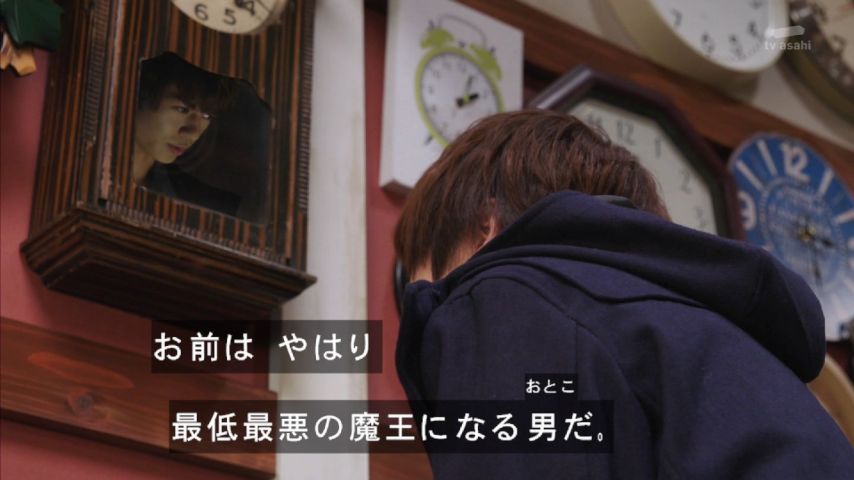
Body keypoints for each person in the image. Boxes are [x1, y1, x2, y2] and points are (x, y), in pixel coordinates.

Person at [394, 110, 854, 479]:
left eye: (423, 278)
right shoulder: (721, 346)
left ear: (484, 228)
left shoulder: (505, 296)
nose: (428, 299)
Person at [133, 52, 241, 216]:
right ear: (140, 95)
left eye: (207, 116)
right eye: (182, 109)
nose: (193, 134)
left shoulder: (201, 208)